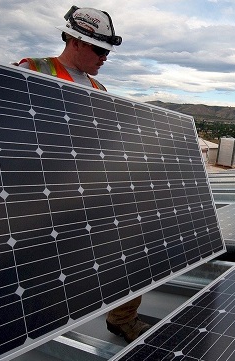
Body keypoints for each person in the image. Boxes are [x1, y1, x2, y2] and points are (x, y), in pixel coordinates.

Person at [16, 6, 150, 343]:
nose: (105, 57)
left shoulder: (98, 88)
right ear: (75, 41)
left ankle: (122, 317)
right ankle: (26, 326)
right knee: (47, 266)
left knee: (132, 244)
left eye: (108, 51)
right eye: (99, 49)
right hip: (44, 193)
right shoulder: (32, 70)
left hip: (88, 188)